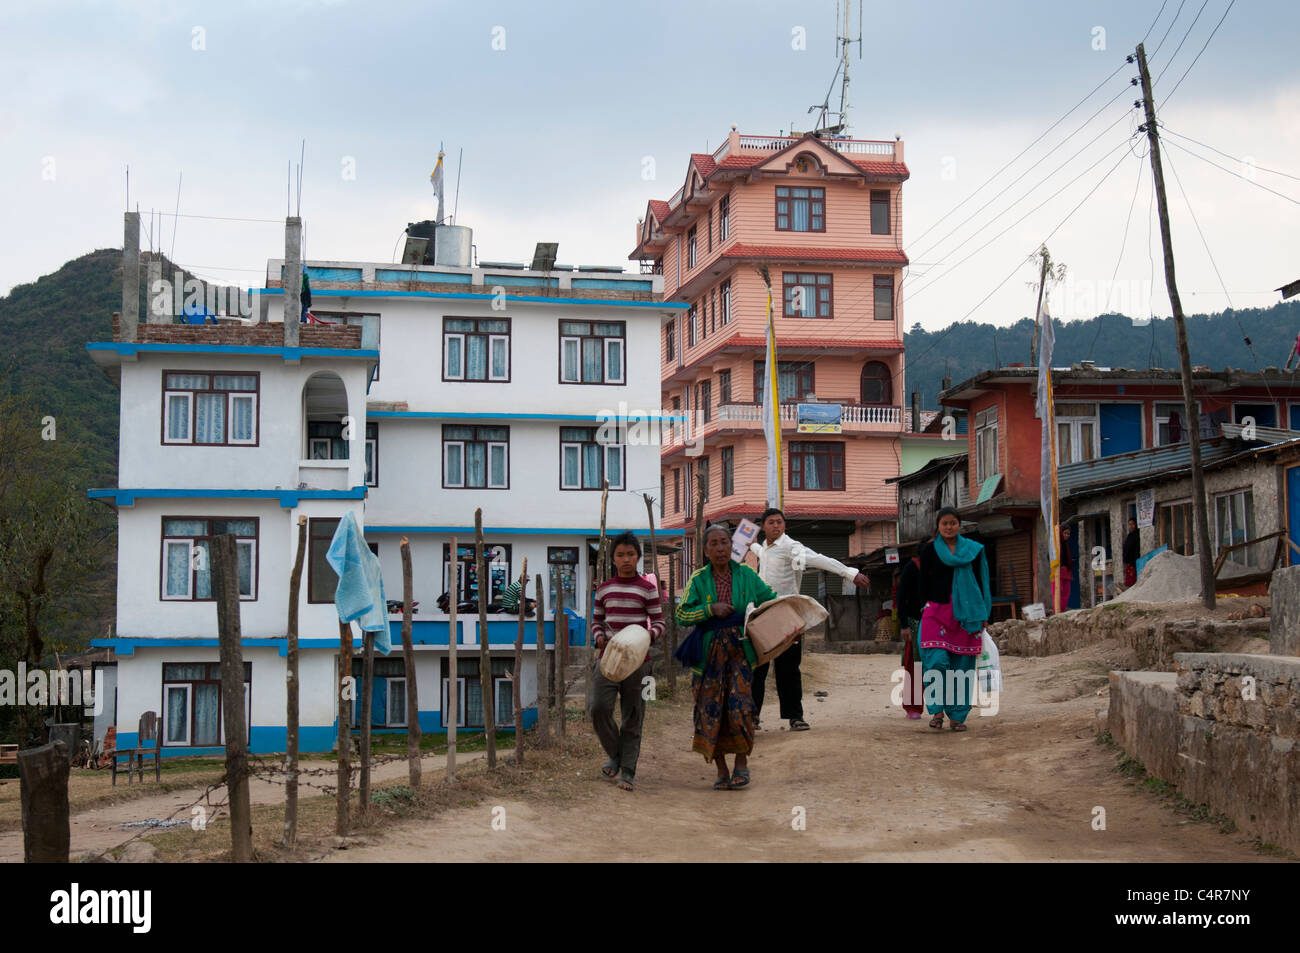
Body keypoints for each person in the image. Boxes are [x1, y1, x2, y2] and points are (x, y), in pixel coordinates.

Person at [748, 507, 870, 731]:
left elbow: (819, 559)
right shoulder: (765, 548)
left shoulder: (790, 547)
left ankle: (796, 717)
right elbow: (759, 550)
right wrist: (750, 543)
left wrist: (850, 573)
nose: (776, 526)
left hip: (787, 615)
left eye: (780, 522)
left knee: (789, 668)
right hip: (763, 615)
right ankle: (752, 716)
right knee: (758, 668)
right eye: (772, 522)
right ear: (763, 526)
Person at [678, 524, 779, 790]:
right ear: (705, 550)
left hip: (740, 652)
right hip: (708, 657)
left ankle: (742, 764)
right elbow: (682, 614)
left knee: (741, 706)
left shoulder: (746, 574)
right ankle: (721, 769)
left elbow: (770, 600)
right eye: (714, 544)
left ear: (731, 546)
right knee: (710, 709)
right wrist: (710, 609)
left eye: (724, 542)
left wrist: (786, 623)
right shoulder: (698, 579)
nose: (721, 548)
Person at [589, 532, 664, 792]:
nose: (626, 559)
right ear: (613, 559)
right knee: (597, 707)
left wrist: (646, 637)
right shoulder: (604, 588)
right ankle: (616, 755)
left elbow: (659, 622)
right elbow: (596, 621)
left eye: (631, 554)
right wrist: (599, 637)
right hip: (607, 659)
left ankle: (628, 772)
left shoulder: (648, 589)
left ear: (638, 557)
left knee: (634, 715)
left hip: (639, 662)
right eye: (620, 555)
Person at [918, 508, 991, 732]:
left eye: (953, 523)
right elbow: (923, 581)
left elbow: (983, 580)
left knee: (962, 665)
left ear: (960, 525)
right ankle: (937, 711)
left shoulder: (974, 550)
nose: (949, 527)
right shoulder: (929, 550)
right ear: (938, 526)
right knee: (936, 661)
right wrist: (922, 604)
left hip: (967, 613)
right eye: (945, 524)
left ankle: (958, 716)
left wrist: (984, 612)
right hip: (936, 611)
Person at [896, 538, 929, 719]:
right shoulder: (912, 567)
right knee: (914, 665)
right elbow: (901, 597)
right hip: (915, 622)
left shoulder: (942, 567)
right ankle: (913, 706)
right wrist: (904, 625)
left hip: (937, 622)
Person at [1052, 525, 1074, 613]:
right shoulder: (1055, 545)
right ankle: (1057, 612)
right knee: (1057, 593)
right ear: (1061, 533)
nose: (1067, 535)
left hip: (1066, 573)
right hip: (1057, 572)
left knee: (1066, 593)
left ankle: (1062, 611)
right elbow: (1049, 557)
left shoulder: (1066, 545)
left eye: (1068, 534)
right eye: (1065, 533)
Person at [1123, 518, 1141, 588]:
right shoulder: (1129, 536)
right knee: (1129, 583)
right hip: (1129, 564)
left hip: (1134, 563)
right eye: (1129, 524)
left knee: (1134, 582)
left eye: (1133, 524)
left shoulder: (1137, 535)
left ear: (1136, 524)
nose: (1131, 526)